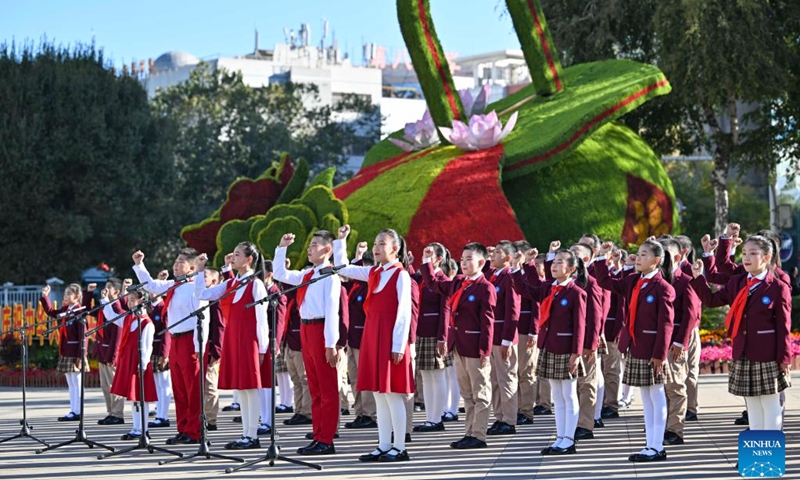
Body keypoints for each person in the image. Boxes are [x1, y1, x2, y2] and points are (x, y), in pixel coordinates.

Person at [691, 235, 791, 433]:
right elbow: (711, 300)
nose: (746, 257)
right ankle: (755, 457)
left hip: (768, 355)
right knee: (752, 406)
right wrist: (698, 278)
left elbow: (784, 327)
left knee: (770, 405)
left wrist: (785, 359)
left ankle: (768, 457)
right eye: (744, 253)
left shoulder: (778, 287)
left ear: (767, 257)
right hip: (743, 352)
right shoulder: (737, 282)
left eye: (753, 253)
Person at [334, 225, 414, 462]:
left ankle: (399, 447)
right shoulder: (374, 273)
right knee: (379, 393)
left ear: (395, 248)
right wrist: (341, 241)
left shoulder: (401, 274)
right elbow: (343, 268)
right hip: (372, 336)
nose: (376, 248)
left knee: (393, 394)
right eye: (375, 243)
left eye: (382, 244)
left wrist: (398, 346)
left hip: (390, 339)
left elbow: (404, 313)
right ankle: (383, 444)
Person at [595, 240, 675, 462]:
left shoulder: (663, 287)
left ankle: (657, 446)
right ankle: (650, 445)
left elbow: (666, 324)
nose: (638, 258)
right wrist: (602, 257)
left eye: (644, 255)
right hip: (636, 347)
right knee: (646, 398)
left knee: (656, 395)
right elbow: (604, 281)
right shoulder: (633, 281)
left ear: (656, 260)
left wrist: (660, 355)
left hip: (652, 351)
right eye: (638, 254)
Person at [421, 242, 496, 450]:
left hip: (475, 348)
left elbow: (487, 322)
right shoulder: (459, 283)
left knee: (480, 393)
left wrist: (485, 351)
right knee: (467, 394)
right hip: (459, 347)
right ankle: (469, 432)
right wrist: (427, 261)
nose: (463, 263)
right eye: (462, 259)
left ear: (481, 262)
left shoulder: (486, 288)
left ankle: (479, 435)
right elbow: (434, 284)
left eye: (468, 259)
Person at [195, 243, 270, 449]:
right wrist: (200, 271)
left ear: (249, 259)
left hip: (249, 340)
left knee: (251, 389)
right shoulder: (232, 283)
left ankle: (252, 435)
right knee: (241, 388)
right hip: (233, 338)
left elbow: (262, 318)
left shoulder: (256, 284)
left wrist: (262, 348)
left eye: (237, 255)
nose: (232, 257)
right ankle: (245, 434)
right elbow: (203, 294)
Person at [274, 230, 342, 456]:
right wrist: (282, 247)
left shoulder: (330, 276)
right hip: (305, 329)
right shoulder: (307, 274)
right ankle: (317, 434)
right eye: (310, 244)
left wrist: (331, 343)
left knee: (327, 389)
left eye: (315, 245)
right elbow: (279, 273)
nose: (309, 248)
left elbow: (333, 312)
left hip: (321, 331)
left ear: (327, 250)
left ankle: (327, 439)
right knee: (314, 388)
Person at [515, 248, 587, 455]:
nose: (555, 266)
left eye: (560, 262)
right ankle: (560, 437)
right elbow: (524, 288)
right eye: (554, 262)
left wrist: (576, 353)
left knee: (569, 394)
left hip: (567, 350)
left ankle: (569, 439)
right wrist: (524, 265)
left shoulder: (576, 292)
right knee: (557, 394)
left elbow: (580, 325)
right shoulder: (549, 288)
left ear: (572, 269)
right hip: (550, 347)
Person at [132, 248, 206, 445]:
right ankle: (183, 429)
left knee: (192, 389)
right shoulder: (174, 285)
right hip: (175, 340)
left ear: (191, 267)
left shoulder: (196, 287)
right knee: (179, 389)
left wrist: (200, 345)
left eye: (180, 261)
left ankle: (195, 431)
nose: (175, 265)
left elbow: (203, 319)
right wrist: (140, 265)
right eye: (176, 261)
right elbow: (152, 285)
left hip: (191, 341)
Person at [657, 239, 701, 446]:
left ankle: (675, 429)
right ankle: (661, 425)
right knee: (658, 388)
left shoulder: (686, 280)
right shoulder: (653, 280)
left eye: (663, 253)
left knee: (675, 385)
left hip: (675, 340)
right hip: (656, 341)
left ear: (676, 257)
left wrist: (680, 343)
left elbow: (690, 315)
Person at [104, 289, 157, 440]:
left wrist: (143, 364)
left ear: (141, 301)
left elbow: (147, 346)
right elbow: (111, 317)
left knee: (142, 397)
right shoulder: (129, 319)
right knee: (134, 398)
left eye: (132, 299)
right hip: (128, 361)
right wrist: (107, 301)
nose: (128, 302)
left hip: (139, 364)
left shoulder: (147, 323)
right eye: (128, 299)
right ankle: (136, 427)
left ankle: (144, 428)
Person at [410, 242, 451, 433]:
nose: (425, 258)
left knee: (437, 375)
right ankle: (430, 418)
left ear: (439, 259)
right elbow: (410, 277)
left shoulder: (442, 280)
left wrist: (442, 337)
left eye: (430, 254)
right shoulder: (422, 279)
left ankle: (437, 417)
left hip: (435, 334)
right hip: (422, 332)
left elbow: (445, 310)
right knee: (426, 377)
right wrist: (408, 262)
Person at [40, 283, 91, 421]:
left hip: (76, 352)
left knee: (77, 382)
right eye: (65, 293)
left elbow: (84, 336)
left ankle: (78, 411)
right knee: (71, 383)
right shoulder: (66, 310)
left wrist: (82, 355)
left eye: (69, 294)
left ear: (77, 296)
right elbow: (52, 312)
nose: (66, 296)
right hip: (66, 351)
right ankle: (73, 410)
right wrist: (45, 296)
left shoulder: (80, 313)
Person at [345, 249, 379, 430]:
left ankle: (369, 413)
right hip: (353, 337)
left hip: (364, 337)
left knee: (365, 378)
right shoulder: (357, 285)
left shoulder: (371, 285)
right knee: (355, 378)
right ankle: (359, 412)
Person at [257, 260, 288, 436]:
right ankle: (263, 417)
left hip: (269, 341)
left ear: (269, 274)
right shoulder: (260, 292)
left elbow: (280, 322)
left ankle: (269, 421)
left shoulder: (277, 295)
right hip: (259, 342)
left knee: (268, 383)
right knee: (261, 383)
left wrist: (274, 345)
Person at [94, 277, 126, 426]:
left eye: (109, 288)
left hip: (112, 354)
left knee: (114, 385)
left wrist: (113, 355)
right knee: (105, 385)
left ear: (117, 291)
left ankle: (117, 414)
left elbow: (118, 337)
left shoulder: (117, 308)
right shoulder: (105, 307)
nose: (105, 290)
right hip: (103, 352)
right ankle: (110, 412)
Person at [148, 290, 173, 429]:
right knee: (158, 384)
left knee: (164, 384)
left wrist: (165, 353)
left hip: (160, 349)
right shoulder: (149, 308)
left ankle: (163, 416)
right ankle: (159, 413)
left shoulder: (163, 307)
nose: (152, 293)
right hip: (152, 349)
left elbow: (167, 331)